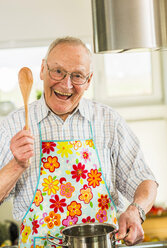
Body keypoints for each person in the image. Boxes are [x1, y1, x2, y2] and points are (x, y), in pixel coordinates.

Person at [0, 37, 157, 247]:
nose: (66, 84)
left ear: (89, 80)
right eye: (58, 71)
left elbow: (145, 179)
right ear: (42, 70)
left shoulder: (108, 121)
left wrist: (135, 211)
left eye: (77, 76)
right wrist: (16, 165)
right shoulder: (13, 125)